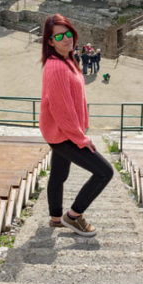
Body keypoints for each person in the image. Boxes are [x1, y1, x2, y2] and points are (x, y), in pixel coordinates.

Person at [40, 14, 113, 237]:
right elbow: (62, 109)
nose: (66, 38)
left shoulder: (68, 60)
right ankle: (73, 216)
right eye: (59, 36)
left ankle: (55, 219)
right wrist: (80, 138)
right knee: (104, 172)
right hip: (64, 134)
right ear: (50, 42)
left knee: (59, 174)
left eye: (69, 33)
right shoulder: (57, 67)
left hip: (61, 132)